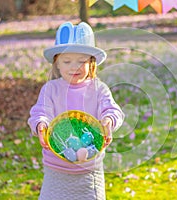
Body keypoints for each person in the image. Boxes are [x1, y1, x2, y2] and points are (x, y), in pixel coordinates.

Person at [28, 21, 124, 200]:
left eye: (82, 61)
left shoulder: (98, 89)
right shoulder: (51, 89)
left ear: (91, 63)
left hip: (89, 173)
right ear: (57, 63)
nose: (74, 67)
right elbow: (41, 112)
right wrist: (41, 125)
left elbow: (112, 109)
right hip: (56, 170)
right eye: (67, 61)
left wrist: (108, 121)